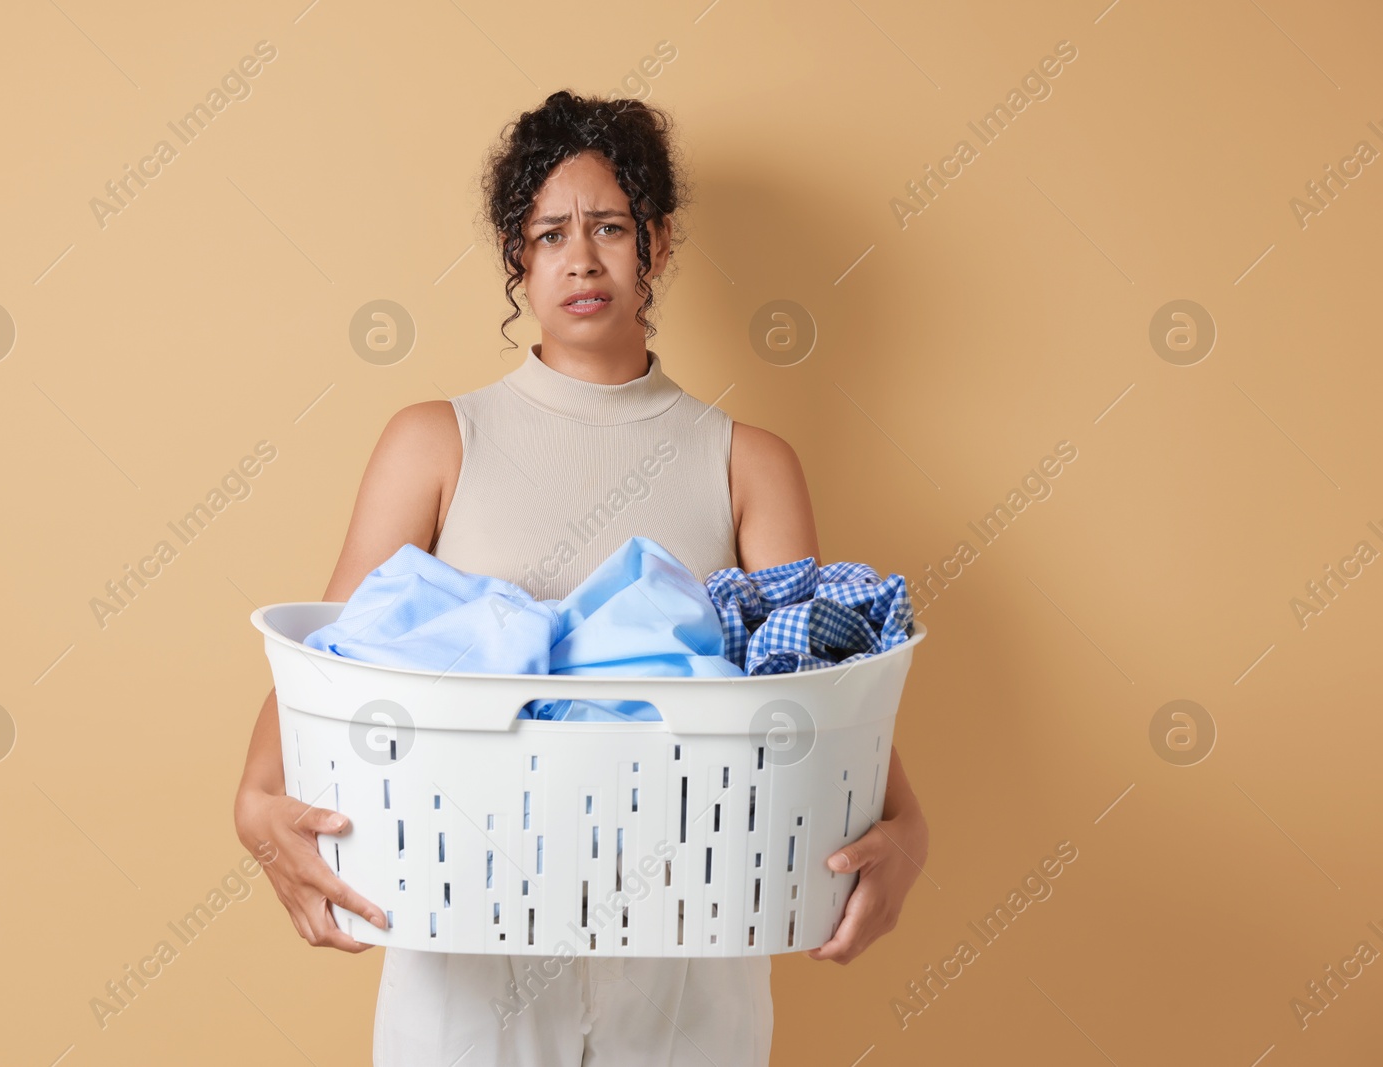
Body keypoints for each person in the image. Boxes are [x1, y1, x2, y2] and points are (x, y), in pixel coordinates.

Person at [234, 89, 929, 1066]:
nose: (582, 256)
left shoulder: (747, 462)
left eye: (609, 225)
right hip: (464, 949)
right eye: (549, 231)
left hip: (686, 958)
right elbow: (335, 645)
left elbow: (819, 685)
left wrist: (906, 825)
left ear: (659, 239)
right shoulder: (437, 441)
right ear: (517, 256)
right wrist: (256, 795)